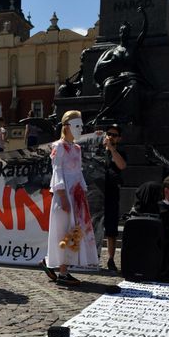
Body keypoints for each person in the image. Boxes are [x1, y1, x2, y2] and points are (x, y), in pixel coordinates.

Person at [39, 110, 98, 286]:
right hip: (64, 195)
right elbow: (57, 171)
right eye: (76, 126)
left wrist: (83, 191)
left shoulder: (77, 149)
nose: (80, 129)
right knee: (63, 231)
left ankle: (53, 263)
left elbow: (78, 172)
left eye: (81, 126)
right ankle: (62, 271)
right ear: (67, 127)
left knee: (73, 232)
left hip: (76, 196)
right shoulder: (59, 146)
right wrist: (63, 196)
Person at [93, 7, 149, 124]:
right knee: (108, 85)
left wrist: (144, 15)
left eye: (126, 31)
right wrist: (111, 63)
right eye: (122, 31)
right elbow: (101, 66)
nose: (124, 33)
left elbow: (143, 33)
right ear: (119, 33)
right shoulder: (114, 50)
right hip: (118, 77)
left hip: (131, 77)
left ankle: (129, 116)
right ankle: (108, 115)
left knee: (133, 87)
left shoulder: (133, 47)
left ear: (129, 33)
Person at [103, 124, 127, 271]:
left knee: (111, 229)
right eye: (109, 134)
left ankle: (111, 259)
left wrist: (112, 150)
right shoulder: (98, 150)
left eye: (114, 135)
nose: (111, 137)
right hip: (97, 192)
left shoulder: (121, 152)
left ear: (119, 138)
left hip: (112, 193)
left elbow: (122, 166)